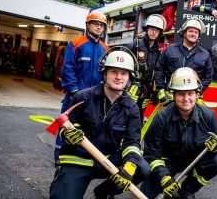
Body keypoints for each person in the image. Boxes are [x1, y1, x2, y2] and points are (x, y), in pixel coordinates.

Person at [49, 49, 150, 199]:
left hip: (106, 161)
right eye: (114, 71)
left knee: (142, 168)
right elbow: (63, 130)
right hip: (78, 160)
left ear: (130, 77)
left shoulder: (131, 108)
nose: (118, 77)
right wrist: (69, 135)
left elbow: (132, 142)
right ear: (104, 73)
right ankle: (64, 179)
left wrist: (129, 167)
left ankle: (104, 191)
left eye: (123, 73)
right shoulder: (83, 97)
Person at [142, 67, 217, 199]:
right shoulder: (161, 117)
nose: (186, 98)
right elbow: (151, 154)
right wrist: (163, 177)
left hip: (194, 161)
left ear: (197, 94)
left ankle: (187, 189)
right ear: (173, 95)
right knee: (146, 195)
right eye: (181, 94)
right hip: (168, 162)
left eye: (190, 93)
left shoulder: (209, 116)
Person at [54, 11, 109, 166]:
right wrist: (75, 91)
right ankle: (60, 154)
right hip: (75, 95)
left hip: (94, 97)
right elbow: (68, 69)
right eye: (96, 24)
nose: (99, 28)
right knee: (67, 125)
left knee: (90, 126)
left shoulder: (105, 49)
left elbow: (105, 74)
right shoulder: (76, 44)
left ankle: (83, 154)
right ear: (88, 25)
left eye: (101, 25)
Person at [154, 18, 213, 104]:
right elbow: (159, 69)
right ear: (184, 33)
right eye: (190, 31)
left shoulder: (204, 54)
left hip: (191, 99)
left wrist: (198, 90)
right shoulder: (170, 50)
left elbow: (208, 76)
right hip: (172, 96)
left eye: (196, 32)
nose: (193, 34)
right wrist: (161, 89)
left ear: (199, 35)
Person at [127, 14, 165, 120]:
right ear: (146, 29)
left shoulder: (158, 52)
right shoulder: (135, 44)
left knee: (139, 115)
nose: (154, 32)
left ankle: (136, 136)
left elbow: (158, 72)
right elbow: (123, 67)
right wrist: (127, 87)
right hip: (132, 88)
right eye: (152, 29)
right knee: (126, 113)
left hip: (146, 90)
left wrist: (155, 92)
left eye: (157, 31)